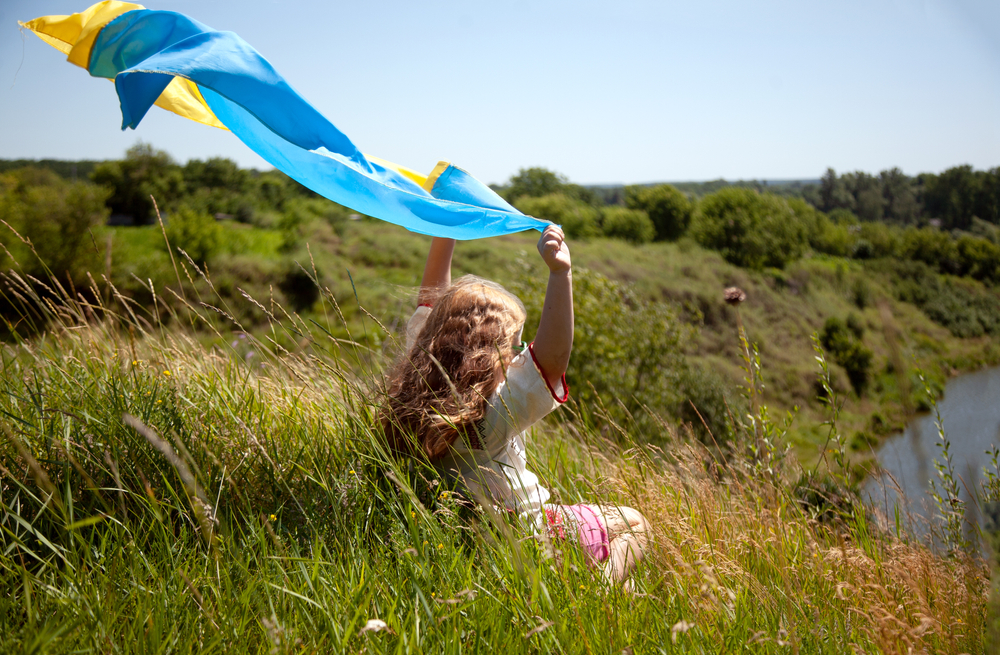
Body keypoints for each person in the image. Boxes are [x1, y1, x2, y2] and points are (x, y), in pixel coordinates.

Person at [381, 225, 649, 588]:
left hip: (467, 537)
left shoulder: (415, 388)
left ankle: (604, 588)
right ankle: (601, 592)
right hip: (526, 537)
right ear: (488, 352)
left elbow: (431, 305)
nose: (519, 355)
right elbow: (553, 358)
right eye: (515, 345)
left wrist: (444, 225)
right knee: (634, 522)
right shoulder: (493, 412)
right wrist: (560, 274)